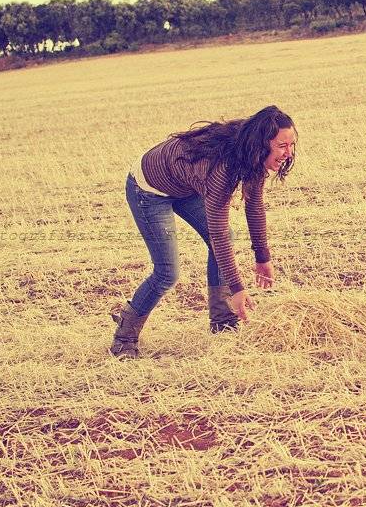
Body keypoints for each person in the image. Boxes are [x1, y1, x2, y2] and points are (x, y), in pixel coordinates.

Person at [110, 105, 297, 358]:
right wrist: (238, 289)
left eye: (291, 145)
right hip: (148, 189)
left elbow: (254, 207)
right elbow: (217, 234)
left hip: (184, 185)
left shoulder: (250, 156)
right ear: (261, 144)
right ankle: (124, 338)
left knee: (225, 239)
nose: (289, 152)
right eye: (282, 146)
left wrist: (263, 258)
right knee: (167, 272)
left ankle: (223, 322)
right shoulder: (221, 171)